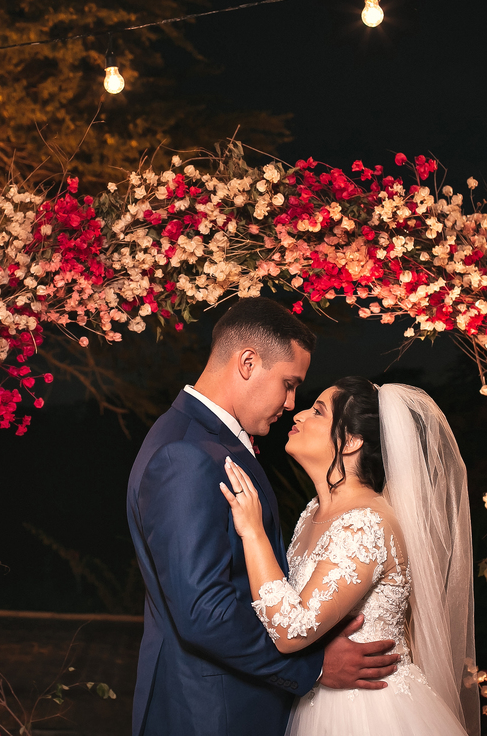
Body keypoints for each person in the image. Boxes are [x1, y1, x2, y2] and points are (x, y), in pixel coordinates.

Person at [126, 299, 401, 736]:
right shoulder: (186, 454)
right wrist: (312, 666)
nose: (292, 404)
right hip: (210, 713)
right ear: (248, 363)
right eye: (289, 385)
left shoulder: (207, 441)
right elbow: (203, 612)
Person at [219, 377, 480, 736]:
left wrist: (253, 533)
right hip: (317, 700)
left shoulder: (365, 524)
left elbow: (292, 631)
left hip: (370, 713)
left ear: (352, 441)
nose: (298, 416)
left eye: (318, 412)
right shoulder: (313, 511)